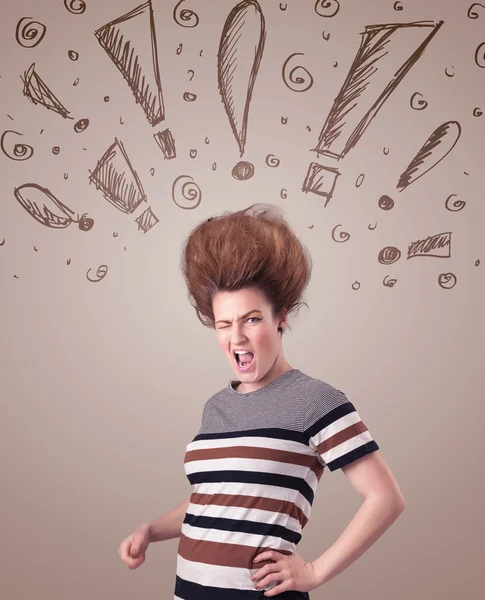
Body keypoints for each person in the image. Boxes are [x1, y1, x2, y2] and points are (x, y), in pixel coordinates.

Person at [118, 203, 405, 599]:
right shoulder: (216, 406)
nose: (236, 337)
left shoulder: (316, 401)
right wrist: (150, 530)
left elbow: (386, 498)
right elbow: (214, 499)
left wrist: (315, 572)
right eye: (224, 323)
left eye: (251, 319)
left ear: (280, 317)